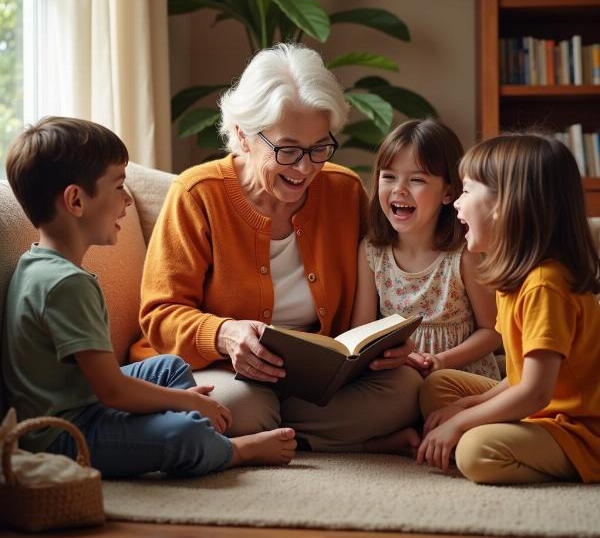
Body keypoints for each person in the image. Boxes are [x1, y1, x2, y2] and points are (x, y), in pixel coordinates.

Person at [131, 43, 421, 453]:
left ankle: (276, 437)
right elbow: (159, 315)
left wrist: (388, 343)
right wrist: (224, 334)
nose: (305, 168)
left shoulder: (344, 190)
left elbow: (378, 284)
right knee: (239, 407)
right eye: (287, 150)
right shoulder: (197, 195)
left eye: (319, 147)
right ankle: (327, 438)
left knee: (406, 389)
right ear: (242, 136)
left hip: (319, 380)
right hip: (227, 371)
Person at [2, 116, 296, 478]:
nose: (128, 200)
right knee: (182, 432)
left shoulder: (36, 263)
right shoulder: (66, 284)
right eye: (119, 186)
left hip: (84, 400)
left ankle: (181, 434)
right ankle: (230, 451)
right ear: (75, 200)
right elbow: (113, 392)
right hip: (64, 435)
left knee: (169, 366)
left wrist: (182, 400)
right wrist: (185, 401)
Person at [417, 133, 600, 484]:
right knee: (439, 388)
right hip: (539, 412)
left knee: (475, 451)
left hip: (578, 430)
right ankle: (491, 433)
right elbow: (517, 377)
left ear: (504, 205)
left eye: (467, 191)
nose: (455, 202)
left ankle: (556, 460)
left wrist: (461, 423)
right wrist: (468, 405)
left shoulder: (546, 284)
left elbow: (534, 391)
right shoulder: (514, 279)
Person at [352, 119, 502, 381]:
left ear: (448, 192)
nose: (399, 188)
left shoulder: (463, 255)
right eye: (388, 177)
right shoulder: (372, 252)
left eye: (417, 179)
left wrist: (440, 361)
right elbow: (361, 332)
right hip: (396, 378)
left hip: (459, 377)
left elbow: (493, 331)